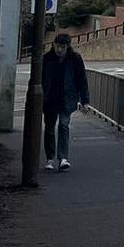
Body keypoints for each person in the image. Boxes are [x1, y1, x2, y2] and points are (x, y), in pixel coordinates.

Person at [41, 32, 90, 172]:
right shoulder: (47, 59)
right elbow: (40, 78)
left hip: (66, 98)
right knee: (49, 128)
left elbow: (82, 80)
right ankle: (50, 158)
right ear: (53, 45)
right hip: (50, 98)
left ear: (68, 47)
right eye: (57, 46)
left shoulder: (75, 59)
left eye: (62, 47)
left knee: (63, 125)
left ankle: (63, 158)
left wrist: (84, 100)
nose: (59, 50)